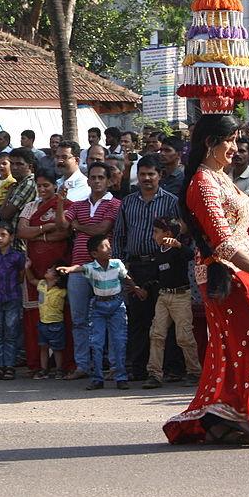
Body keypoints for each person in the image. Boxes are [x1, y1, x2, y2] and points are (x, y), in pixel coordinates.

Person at [164, 114, 249, 447]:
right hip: (221, 274)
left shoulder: (220, 178)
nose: (235, 147)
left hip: (238, 268)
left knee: (248, 345)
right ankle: (243, 414)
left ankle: (229, 417)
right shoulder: (201, 182)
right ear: (211, 142)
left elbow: (238, 239)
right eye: (230, 140)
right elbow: (223, 244)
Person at [113, 156, 179, 381]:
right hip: (136, 267)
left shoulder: (171, 202)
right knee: (139, 320)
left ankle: (169, 369)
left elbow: (179, 235)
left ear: (159, 175)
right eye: (142, 174)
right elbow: (119, 236)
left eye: (151, 174)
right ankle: (139, 368)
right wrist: (122, 268)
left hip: (163, 266)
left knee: (165, 319)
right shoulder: (128, 202)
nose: (147, 178)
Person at [56, 162, 120, 379]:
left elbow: (102, 230)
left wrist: (79, 226)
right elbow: (63, 225)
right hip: (78, 268)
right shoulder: (79, 204)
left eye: (101, 177)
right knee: (79, 320)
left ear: (109, 180)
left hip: (104, 269)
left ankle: (112, 366)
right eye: (93, 177)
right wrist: (60, 202)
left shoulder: (114, 204)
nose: (96, 181)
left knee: (110, 317)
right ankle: (83, 365)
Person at [57, 234, 134, 390]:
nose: (109, 248)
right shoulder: (92, 268)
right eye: (104, 246)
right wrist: (68, 269)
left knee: (119, 341)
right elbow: (80, 268)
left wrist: (135, 287)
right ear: (94, 254)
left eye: (109, 245)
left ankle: (121, 376)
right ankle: (97, 378)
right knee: (97, 343)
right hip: (99, 307)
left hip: (116, 305)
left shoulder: (117, 264)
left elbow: (124, 276)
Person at [17, 169, 73, 376]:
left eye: (46, 185)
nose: (42, 189)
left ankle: (65, 365)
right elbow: (22, 232)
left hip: (56, 270)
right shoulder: (30, 206)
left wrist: (38, 234)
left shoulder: (65, 205)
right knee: (34, 315)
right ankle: (37, 365)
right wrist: (46, 228)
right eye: (39, 186)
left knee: (61, 314)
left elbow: (63, 232)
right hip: (35, 267)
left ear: (55, 186)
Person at [143, 218, 201, 389]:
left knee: (184, 336)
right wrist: (145, 286)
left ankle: (194, 372)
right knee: (156, 334)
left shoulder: (178, 251)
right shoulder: (159, 252)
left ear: (167, 234)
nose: (154, 235)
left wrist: (178, 245)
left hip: (181, 296)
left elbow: (190, 255)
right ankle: (154, 374)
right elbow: (156, 274)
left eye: (156, 232)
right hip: (163, 296)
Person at [0, 222, 26, 380]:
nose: (0, 238)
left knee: (10, 332)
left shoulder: (17, 256)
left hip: (12, 297)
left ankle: (9, 365)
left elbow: (21, 275)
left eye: (3, 235)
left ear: (11, 237)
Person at [24, 259, 67, 379]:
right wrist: (27, 268)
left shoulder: (61, 291)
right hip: (43, 322)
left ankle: (59, 369)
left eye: (51, 270)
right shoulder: (42, 285)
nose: (47, 270)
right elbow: (32, 280)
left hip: (56, 323)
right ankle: (44, 369)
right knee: (43, 346)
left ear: (57, 278)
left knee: (57, 348)